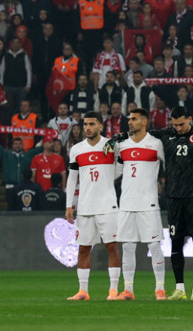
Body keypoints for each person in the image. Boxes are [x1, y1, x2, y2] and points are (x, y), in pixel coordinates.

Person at [108, 106, 193, 300]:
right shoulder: (164, 136)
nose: (178, 128)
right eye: (175, 124)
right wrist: (120, 136)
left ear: (190, 118)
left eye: (181, 124)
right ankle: (179, 288)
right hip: (174, 197)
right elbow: (141, 133)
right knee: (175, 244)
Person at [65, 112, 121, 301]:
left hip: (107, 205)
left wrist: (107, 176)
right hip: (85, 206)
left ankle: (113, 290)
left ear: (100, 126)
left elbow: (120, 167)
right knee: (83, 249)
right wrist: (69, 205)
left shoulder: (111, 146)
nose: (87, 127)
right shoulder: (76, 149)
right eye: (85, 124)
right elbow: (72, 178)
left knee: (112, 247)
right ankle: (83, 291)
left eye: (91, 124)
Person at [113, 109, 166, 300]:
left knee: (154, 245)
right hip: (126, 203)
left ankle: (160, 288)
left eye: (134, 119)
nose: (130, 122)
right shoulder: (122, 145)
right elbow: (116, 172)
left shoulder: (156, 144)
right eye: (129, 119)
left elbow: (170, 167)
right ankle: (128, 289)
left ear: (144, 122)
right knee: (127, 247)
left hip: (148, 203)